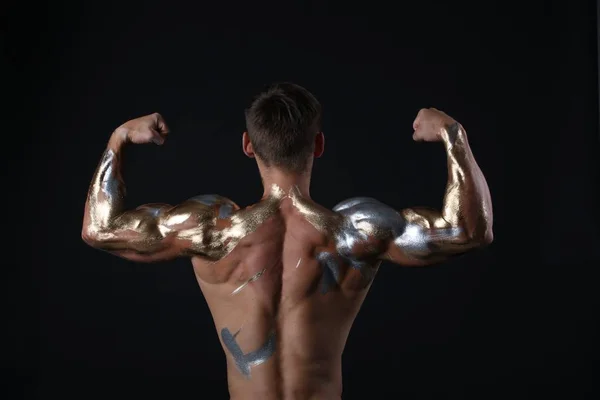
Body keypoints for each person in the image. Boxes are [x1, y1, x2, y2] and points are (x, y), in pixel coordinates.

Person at [82, 82, 493, 400]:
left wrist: (118, 138)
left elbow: (99, 228)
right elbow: (470, 230)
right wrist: (453, 135)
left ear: (248, 146)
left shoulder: (210, 231)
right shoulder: (354, 234)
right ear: (319, 145)